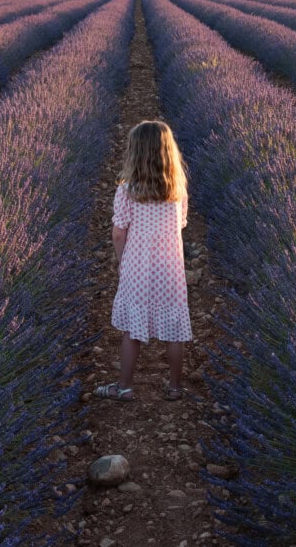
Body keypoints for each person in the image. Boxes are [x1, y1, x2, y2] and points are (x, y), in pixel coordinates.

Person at [96, 120, 192, 402]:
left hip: (137, 266)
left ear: (134, 153)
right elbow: (182, 225)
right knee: (175, 327)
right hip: (170, 268)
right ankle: (175, 387)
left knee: (133, 330)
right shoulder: (177, 191)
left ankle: (124, 386)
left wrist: (121, 262)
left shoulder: (127, 190)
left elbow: (117, 233)